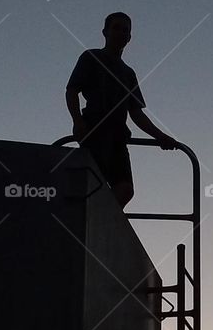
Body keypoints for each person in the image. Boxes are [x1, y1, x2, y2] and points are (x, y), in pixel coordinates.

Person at [65, 12, 178, 207]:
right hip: (94, 131)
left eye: (125, 30)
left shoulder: (128, 73)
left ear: (130, 37)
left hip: (118, 137)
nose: (121, 33)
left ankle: (100, 224)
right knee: (93, 184)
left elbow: (136, 113)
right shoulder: (91, 57)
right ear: (105, 32)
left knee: (125, 189)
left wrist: (160, 136)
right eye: (116, 27)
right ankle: (89, 223)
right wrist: (78, 122)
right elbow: (72, 90)